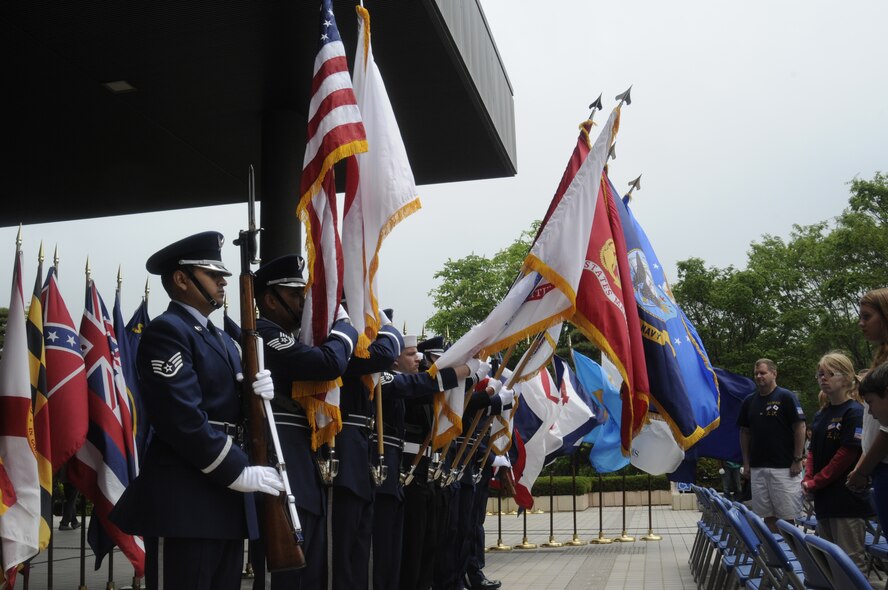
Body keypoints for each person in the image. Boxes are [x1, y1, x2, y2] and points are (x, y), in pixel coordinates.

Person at [110, 231, 284, 590]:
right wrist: (238, 470)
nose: (223, 281)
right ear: (181, 279)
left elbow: (233, 411)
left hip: (224, 497)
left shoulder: (222, 339)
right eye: (212, 274)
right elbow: (181, 419)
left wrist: (261, 396)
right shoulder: (167, 331)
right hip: (185, 499)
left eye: (222, 274)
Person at [249, 254, 359, 590]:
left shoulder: (287, 336)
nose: (304, 303)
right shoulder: (264, 332)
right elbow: (326, 364)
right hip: (279, 456)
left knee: (308, 569)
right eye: (296, 295)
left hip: (296, 458)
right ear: (270, 299)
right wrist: (343, 327)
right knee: (285, 574)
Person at [331, 309, 403, 590]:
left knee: (361, 552)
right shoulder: (343, 345)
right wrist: (387, 325)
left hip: (361, 453)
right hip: (344, 452)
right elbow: (386, 353)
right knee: (343, 553)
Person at [801, 352, 870, 571]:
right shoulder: (823, 414)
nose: (823, 378)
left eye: (829, 374)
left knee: (850, 562)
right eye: (820, 374)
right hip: (824, 500)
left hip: (846, 500)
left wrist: (815, 482)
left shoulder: (854, 412)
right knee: (829, 561)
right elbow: (812, 452)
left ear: (845, 377)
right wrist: (809, 479)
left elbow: (846, 456)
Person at [737, 358, 806, 532]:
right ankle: (774, 555)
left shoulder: (786, 397)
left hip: (784, 468)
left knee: (787, 517)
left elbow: (800, 427)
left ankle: (790, 555)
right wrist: (746, 463)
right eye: (756, 373)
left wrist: (797, 458)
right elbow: (745, 432)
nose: (759, 376)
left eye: (763, 372)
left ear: (774, 373)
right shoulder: (749, 401)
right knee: (767, 516)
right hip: (758, 468)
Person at [847, 287, 888, 527]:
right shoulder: (880, 360)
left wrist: (862, 470)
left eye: (867, 316)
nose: (861, 323)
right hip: (878, 466)